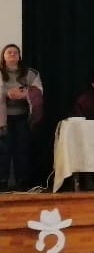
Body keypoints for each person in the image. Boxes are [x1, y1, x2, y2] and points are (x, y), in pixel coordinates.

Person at [0, 44, 44, 191]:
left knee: (22, 149)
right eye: (9, 52)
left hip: (22, 117)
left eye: (15, 52)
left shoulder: (29, 73)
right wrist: (7, 94)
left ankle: (22, 181)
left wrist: (25, 94)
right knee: (3, 150)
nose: (12, 54)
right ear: (3, 56)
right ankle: (2, 181)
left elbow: (38, 91)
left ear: (19, 56)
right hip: (3, 118)